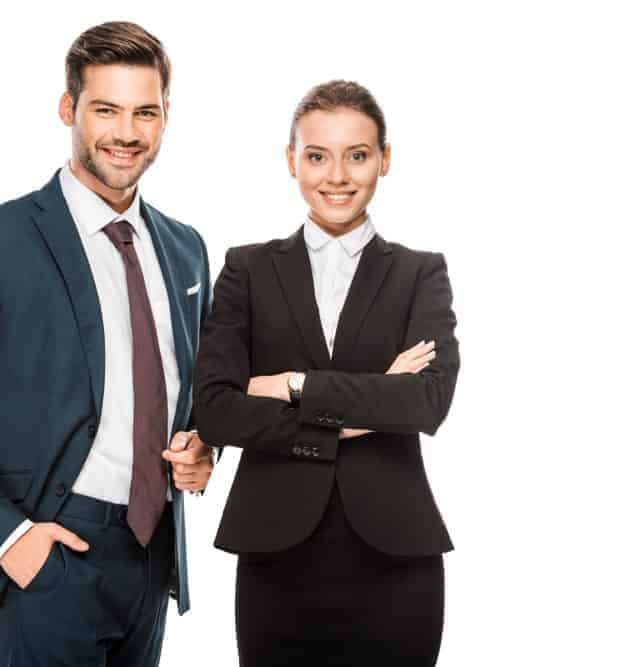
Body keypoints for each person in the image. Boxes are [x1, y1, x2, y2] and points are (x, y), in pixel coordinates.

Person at [0, 21, 215, 666]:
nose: (126, 133)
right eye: (106, 109)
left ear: (165, 118)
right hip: (51, 548)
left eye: (144, 112)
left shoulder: (185, 248)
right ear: (69, 108)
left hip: (154, 554)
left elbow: (191, 389)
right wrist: (7, 535)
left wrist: (203, 444)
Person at [192, 80, 460, 666]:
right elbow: (214, 406)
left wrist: (293, 387)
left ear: (383, 160)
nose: (336, 175)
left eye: (357, 155)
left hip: (398, 558)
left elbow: (426, 402)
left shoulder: (420, 274)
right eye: (317, 155)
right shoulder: (248, 269)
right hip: (274, 556)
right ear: (292, 161)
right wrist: (367, 404)